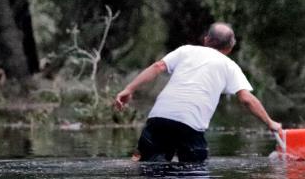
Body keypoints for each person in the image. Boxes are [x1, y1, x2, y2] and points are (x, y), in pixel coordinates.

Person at [114, 22, 282, 162]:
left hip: (159, 119)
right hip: (190, 126)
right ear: (230, 47)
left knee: (145, 168)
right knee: (194, 177)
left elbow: (157, 67)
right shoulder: (230, 65)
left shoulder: (185, 50)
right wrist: (270, 122)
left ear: (206, 39)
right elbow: (246, 99)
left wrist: (129, 89)